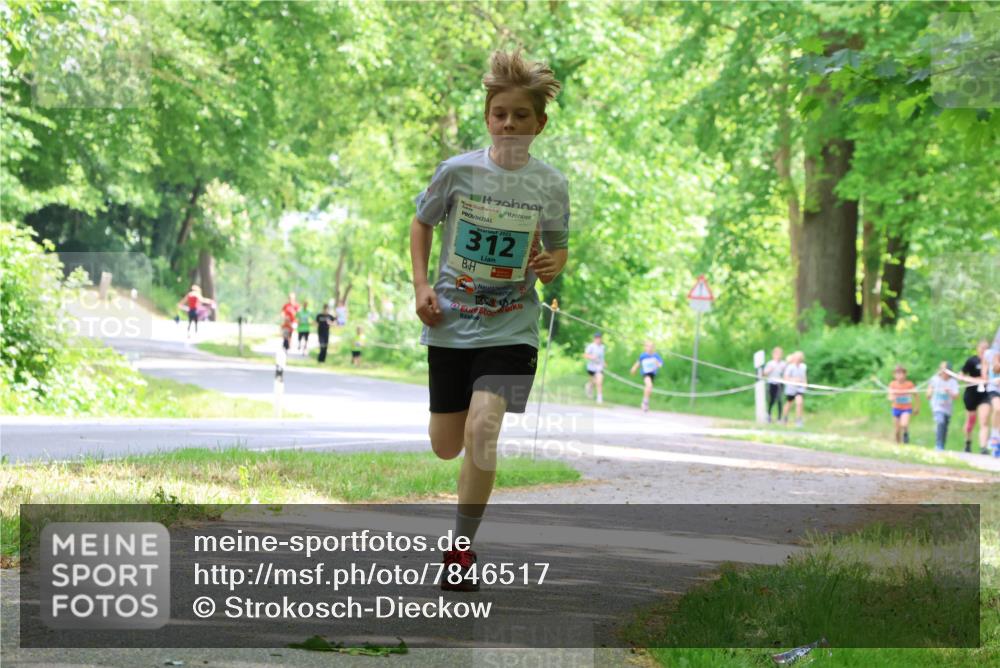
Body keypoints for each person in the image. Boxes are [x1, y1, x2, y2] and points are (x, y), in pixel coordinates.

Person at [409, 50, 568, 592]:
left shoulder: (550, 185)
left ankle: (460, 550)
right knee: (446, 444)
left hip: (512, 327)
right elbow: (421, 222)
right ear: (487, 116)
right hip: (452, 322)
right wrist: (422, 286)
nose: (509, 123)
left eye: (521, 115)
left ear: (539, 124)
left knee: (482, 430)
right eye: (500, 113)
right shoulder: (456, 172)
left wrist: (552, 262)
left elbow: (559, 249)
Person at [960, 340, 990, 453]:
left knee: (984, 420)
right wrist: (974, 380)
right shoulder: (971, 361)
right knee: (971, 421)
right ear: (978, 348)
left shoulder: (991, 362)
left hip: (985, 395)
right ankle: (967, 442)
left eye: (986, 348)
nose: (984, 350)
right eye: (982, 347)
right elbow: (961, 375)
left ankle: (983, 447)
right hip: (971, 394)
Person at [927, 362, 960, 450]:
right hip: (937, 406)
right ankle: (938, 445)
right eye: (941, 369)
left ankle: (942, 444)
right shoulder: (935, 379)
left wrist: (949, 392)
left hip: (947, 408)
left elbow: (956, 396)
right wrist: (929, 393)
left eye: (945, 369)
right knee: (940, 422)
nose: (943, 371)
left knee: (944, 426)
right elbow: (929, 392)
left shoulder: (953, 382)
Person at [887, 364, 919, 444]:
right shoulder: (892, 384)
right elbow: (889, 396)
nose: (900, 376)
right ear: (894, 375)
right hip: (896, 408)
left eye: (901, 373)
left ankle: (906, 434)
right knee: (897, 430)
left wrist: (916, 407)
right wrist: (892, 397)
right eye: (897, 373)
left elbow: (916, 396)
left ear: (905, 374)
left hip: (906, 408)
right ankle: (898, 445)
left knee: (904, 424)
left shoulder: (909, 384)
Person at [630, 341, 664, 412]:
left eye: (651, 346)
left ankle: (645, 402)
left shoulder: (656, 356)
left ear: (653, 348)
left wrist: (656, 362)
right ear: (645, 348)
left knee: (649, 388)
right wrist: (634, 368)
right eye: (648, 346)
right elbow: (638, 363)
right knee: (649, 385)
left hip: (653, 374)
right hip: (645, 374)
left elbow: (660, 365)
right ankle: (645, 403)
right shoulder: (643, 356)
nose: (649, 348)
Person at [781, 351, 807, 428]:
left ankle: (799, 420)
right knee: (789, 403)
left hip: (800, 388)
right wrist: (794, 380)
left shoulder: (803, 366)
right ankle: (785, 418)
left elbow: (804, 376)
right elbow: (785, 378)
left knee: (799, 402)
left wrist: (805, 383)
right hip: (791, 388)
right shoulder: (790, 367)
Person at [762, 346, 785, 423]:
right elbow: (764, 373)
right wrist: (769, 370)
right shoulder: (770, 363)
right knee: (772, 400)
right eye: (777, 354)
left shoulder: (783, 364)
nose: (778, 355)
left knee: (779, 400)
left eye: (780, 354)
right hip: (771, 383)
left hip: (780, 384)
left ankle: (779, 418)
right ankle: (768, 414)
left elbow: (785, 374)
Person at [583, 332, 606, 404]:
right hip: (591, 367)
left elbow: (602, 357)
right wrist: (591, 357)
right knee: (593, 382)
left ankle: (599, 398)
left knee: (599, 381)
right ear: (594, 339)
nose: (598, 339)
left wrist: (604, 363)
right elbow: (585, 355)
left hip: (599, 367)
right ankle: (589, 386)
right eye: (597, 338)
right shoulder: (591, 346)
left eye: (599, 338)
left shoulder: (602, 347)